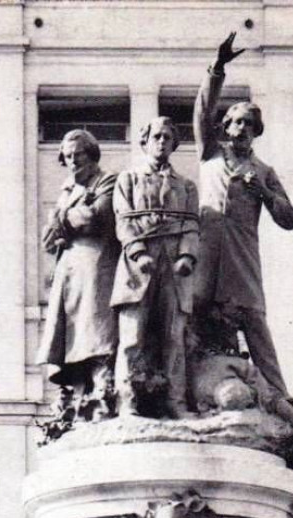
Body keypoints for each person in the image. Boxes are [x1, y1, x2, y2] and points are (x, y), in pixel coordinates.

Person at [192, 34, 293, 458]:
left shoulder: (263, 171)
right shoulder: (210, 155)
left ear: (256, 131)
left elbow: (289, 219)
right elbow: (199, 111)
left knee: (255, 322)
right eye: (234, 122)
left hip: (243, 259)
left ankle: (283, 399)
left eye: (249, 124)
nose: (240, 129)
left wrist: (263, 193)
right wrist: (217, 68)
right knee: (190, 313)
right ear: (225, 128)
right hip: (206, 254)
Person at [110, 117, 199, 418]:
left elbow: (191, 224)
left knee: (174, 335)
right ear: (145, 141)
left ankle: (176, 402)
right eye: (156, 136)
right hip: (139, 266)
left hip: (174, 265)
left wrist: (187, 256)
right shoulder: (129, 179)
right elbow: (123, 219)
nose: (162, 142)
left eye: (168, 137)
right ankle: (129, 401)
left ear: (174, 144)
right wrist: (137, 252)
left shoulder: (186, 186)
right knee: (132, 336)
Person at [37, 130, 119, 419]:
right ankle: (79, 398)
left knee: (96, 331)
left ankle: (103, 393)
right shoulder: (67, 190)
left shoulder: (107, 180)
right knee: (71, 337)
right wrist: (66, 222)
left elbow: (97, 216)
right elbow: (48, 240)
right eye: (68, 156)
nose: (72, 161)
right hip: (69, 269)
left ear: (92, 154)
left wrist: (62, 221)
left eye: (78, 155)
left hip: (96, 265)